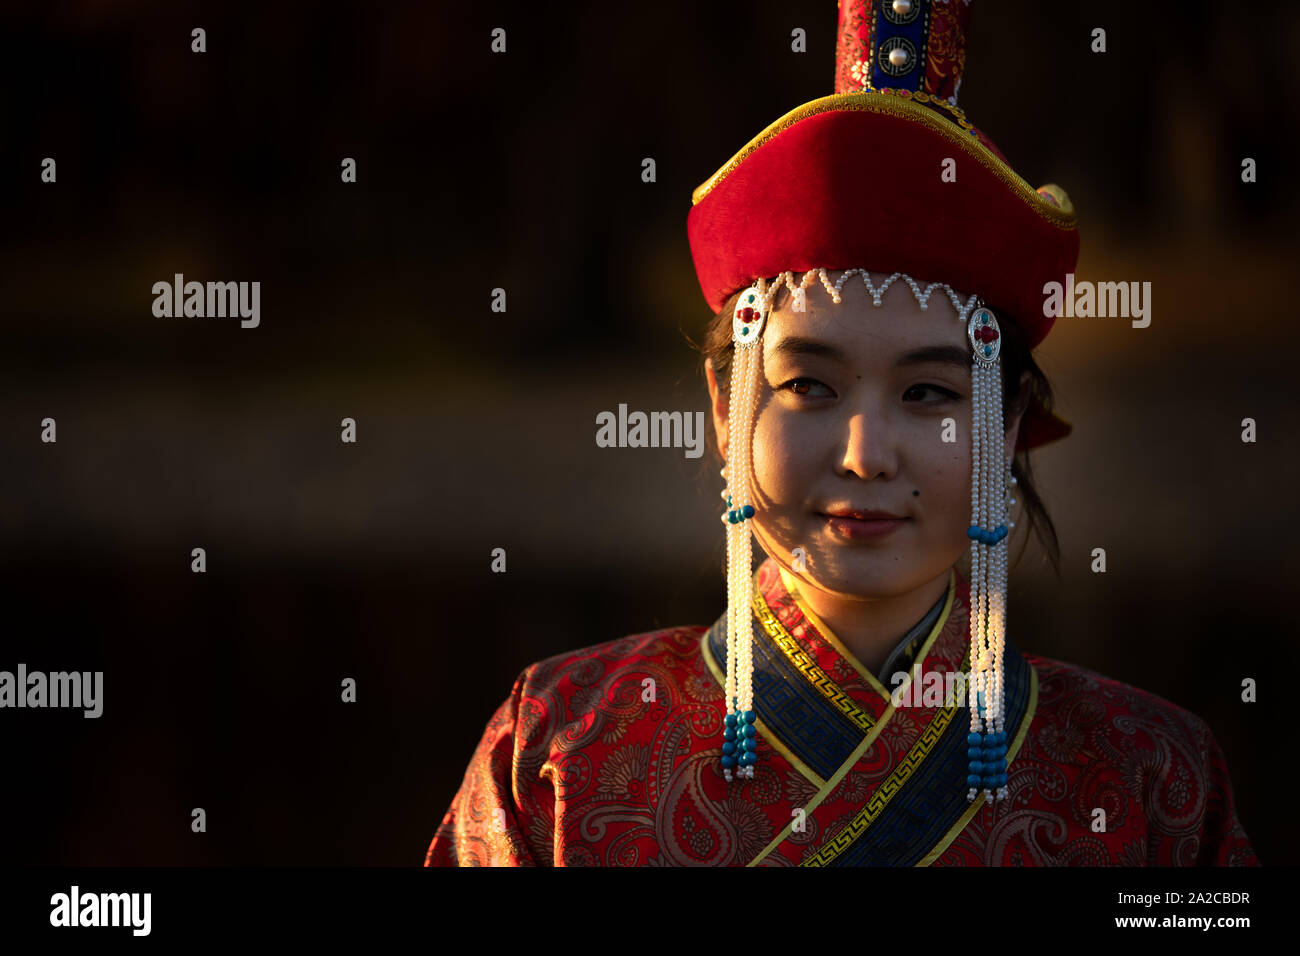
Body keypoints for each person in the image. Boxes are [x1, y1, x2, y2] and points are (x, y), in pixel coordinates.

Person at [424, 0, 1257, 866]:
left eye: (929, 393)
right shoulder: (558, 754)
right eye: (809, 385)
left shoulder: (1152, 781)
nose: (865, 454)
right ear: (725, 406)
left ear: (1006, 426)